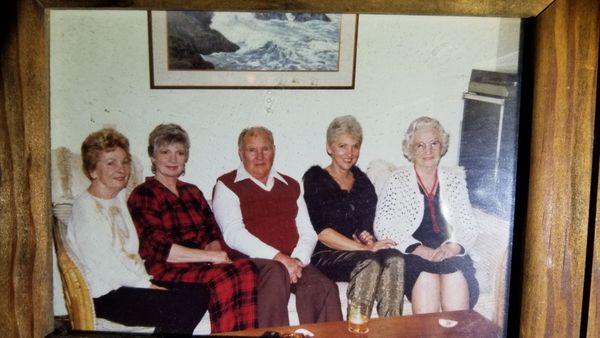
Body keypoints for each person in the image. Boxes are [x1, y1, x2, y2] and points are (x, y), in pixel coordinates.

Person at [67, 128, 208, 335]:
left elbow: (130, 255)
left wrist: (148, 283)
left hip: (131, 284)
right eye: (110, 163)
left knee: (199, 292)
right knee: (182, 304)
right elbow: (106, 267)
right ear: (93, 170)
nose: (121, 169)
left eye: (125, 162)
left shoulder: (118, 198)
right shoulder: (86, 208)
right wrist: (148, 287)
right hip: (106, 295)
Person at [127, 124, 258, 333]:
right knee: (223, 278)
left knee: (247, 268)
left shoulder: (192, 192)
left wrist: (216, 255)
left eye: (179, 153)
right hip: (167, 268)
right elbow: (160, 248)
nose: (173, 159)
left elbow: (211, 233)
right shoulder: (144, 194)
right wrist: (211, 259)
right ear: (153, 156)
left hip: (200, 265)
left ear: (186, 157)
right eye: (165, 152)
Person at [212, 126, 343, 325]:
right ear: (240, 153)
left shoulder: (290, 185)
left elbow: (308, 231)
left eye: (265, 149)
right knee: (275, 273)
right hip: (251, 262)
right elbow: (233, 234)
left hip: (291, 260)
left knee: (324, 287)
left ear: (274, 150)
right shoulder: (227, 185)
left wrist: (298, 260)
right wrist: (279, 258)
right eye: (251, 150)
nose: (259, 156)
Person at [373, 116, 480, 314]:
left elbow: (469, 226)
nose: (428, 151)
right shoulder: (397, 180)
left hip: (450, 253)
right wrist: (420, 249)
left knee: (454, 277)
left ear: (442, 146)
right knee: (427, 279)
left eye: (434, 143)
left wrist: (452, 247)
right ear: (410, 149)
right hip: (414, 255)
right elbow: (383, 226)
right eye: (420, 145)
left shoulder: (455, 180)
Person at [303, 115, 405, 318]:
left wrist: (365, 235)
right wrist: (364, 247)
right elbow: (323, 233)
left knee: (395, 259)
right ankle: (357, 329)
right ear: (329, 148)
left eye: (355, 146)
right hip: (326, 254)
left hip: (358, 251)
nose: (349, 154)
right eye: (342, 146)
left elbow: (367, 221)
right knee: (369, 261)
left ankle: (391, 329)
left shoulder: (362, 181)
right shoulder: (315, 178)